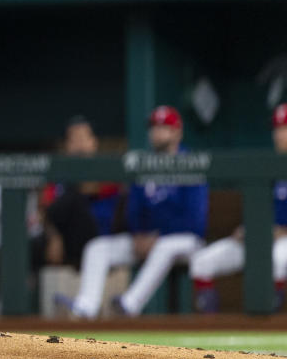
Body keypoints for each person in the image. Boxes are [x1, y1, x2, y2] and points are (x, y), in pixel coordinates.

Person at [61, 106, 209, 318]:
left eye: (164, 127)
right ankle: (87, 307)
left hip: (186, 240)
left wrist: (157, 235)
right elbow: (134, 210)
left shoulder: (191, 163)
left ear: (178, 132)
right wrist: (139, 234)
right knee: (97, 248)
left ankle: (129, 305)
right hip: (147, 240)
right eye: (154, 127)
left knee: (165, 246)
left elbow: (195, 220)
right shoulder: (144, 164)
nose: (157, 132)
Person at [189, 104, 287, 313]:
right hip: (259, 238)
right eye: (277, 129)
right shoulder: (269, 167)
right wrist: (248, 228)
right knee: (202, 262)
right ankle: (210, 329)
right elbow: (257, 209)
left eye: (284, 128)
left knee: (277, 259)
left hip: (282, 241)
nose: (278, 135)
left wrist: (281, 232)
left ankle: (273, 323)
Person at [38, 117, 120, 270]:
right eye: (74, 139)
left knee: (75, 198)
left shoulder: (108, 172)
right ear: (66, 145)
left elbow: (91, 190)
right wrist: (54, 236)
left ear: (94, 142)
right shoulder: (57, 177)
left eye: (84, 138)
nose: (80, 144)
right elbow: (45, 211)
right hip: (66, 239)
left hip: (102, 235)